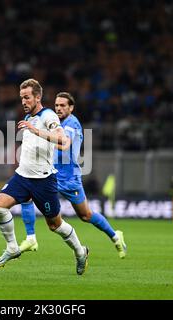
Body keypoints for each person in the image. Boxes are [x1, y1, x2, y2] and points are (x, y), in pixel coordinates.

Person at [0, 79, 89, 275]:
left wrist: (37, 131)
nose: (23, 101)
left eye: (27, 97)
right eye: (21, 98)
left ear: (38, 97)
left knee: (55, 225)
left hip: (43, 181)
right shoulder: (29, 115)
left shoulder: (48, 116)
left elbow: (63, 140)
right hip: (22, 176)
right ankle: (12, 248)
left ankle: (80, 251)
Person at [19, 92, 127, 258]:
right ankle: (30, 237)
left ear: (71, 107)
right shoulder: (54, 123)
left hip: (69, 178)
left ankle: (115, 236)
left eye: (63, 105)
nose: (59, 108)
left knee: (86, 215)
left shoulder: (71, 123)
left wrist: (40, 138)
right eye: (56, 105)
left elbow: (64, 145)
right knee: (27, 194)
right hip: (51, 175)